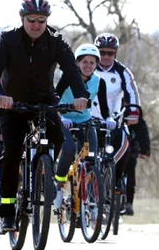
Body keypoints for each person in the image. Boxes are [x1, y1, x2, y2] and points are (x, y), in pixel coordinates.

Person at [0, 0, 89, 231]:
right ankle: (8, 209)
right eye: (31, 20)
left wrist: (81, 95)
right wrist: (0, 95)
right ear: (22, 19)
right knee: (11, 152)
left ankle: (42, 169)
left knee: (59, 137)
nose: (36, 25)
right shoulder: (8, 39)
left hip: (44, 101)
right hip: (13, 104)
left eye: (41, 21)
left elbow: (72, 71)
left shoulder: (56, 42)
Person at [54, 44, 113, 207]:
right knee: (68, 150)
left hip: (85, 121)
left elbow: (103, 104)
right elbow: (55, 98)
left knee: (92, 157)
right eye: (84, 62)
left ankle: (86, 196)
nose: (88, 66)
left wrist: (109, 118)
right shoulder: (68, 77)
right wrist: (59, 116)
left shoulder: (99, 82)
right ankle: (58, 186)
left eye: (92, 63)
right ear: (77, 63)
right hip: (65, 120)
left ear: (96, 65)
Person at [91, 33, 141, 202]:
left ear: (116, 54)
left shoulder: (122, 71)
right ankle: (81, 197)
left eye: (110, 53)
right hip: (88, 119)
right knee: (83, 156)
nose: (106, 57)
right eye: (102, 52)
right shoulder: (86, 67)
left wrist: (133, 112)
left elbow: (132, 93)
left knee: (124, 143)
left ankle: (117, 178)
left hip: (112, 120)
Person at [121, 104, 150, 216]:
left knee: (130, 177)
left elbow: (144, 138)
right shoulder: (120, 123)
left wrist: (144, 151)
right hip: (118, 154)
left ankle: (129, 203)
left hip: (132, 154)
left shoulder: (141, 125)